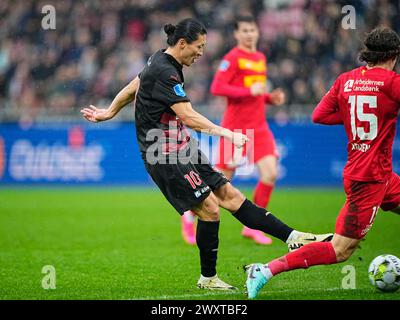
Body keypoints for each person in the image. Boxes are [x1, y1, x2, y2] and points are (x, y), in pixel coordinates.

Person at [81, 18, 332, 291]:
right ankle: (208, 278)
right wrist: (229, 134)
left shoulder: (161, 61)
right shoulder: (165, 70)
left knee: (231, 196)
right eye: (198, 47)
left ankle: (293, 237)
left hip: (180, 145)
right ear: (181, 44)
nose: (201, 53)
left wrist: (110, 111)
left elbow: (135, 84)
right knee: (211, 209)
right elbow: (187, 116)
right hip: (162, 151)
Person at [245, 26, 400, 299]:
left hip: (378, 174)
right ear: (394, 54)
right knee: (341, 250)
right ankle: (265, 270)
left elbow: (318, 115)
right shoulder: (392, 83)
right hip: (369, 179)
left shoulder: (346, 80)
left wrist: (353, 117)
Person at [181, 15, 286, 246]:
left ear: (257, 32)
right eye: (245, 31)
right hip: (235, 129)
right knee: (219, 185)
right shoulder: (232, 58)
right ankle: (189, 213)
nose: (249, 34)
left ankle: (254, 226)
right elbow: (217, 87)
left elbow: (255, 94)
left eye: (252, 30)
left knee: (270, 174)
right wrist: (251, 90)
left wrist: (269, 98)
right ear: (237, 34)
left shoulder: (259, 58)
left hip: (259, 128)